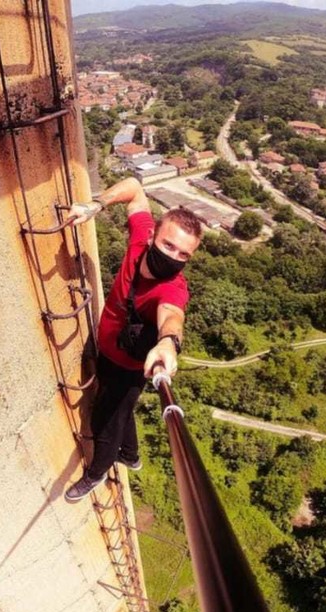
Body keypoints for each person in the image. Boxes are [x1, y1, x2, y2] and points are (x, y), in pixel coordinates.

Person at [59, 177, 203, 501]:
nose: (174, 257)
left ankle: (96, 474)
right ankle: (132, 455)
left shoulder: (172, 288)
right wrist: (94, 206)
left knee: (104, 420)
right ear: (153, 235)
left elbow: (172, 315)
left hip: (131, 367)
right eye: (169, 245)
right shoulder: (140, 240)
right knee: (123, 411)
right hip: (110, 352)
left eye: (183, 254)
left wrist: (169, 343)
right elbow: (136, 188)